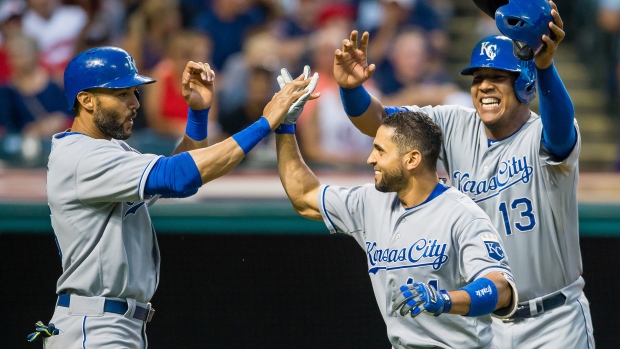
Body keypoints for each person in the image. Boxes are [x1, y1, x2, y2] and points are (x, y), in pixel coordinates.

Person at [333, 1, 595, 348]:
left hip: (554, 319)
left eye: (498, 77)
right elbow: (381, 123)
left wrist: (545, 66)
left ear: (525, 84)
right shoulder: (454, 123)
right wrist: (352, 90)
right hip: (488, 324)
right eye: (478, 77)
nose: (484, 86)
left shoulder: (542, 133)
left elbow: (560, 132)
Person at [26, 45, 318, 347]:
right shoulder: (81, 157)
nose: (135, 103)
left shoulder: (108, 150)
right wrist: (265, 123)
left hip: (106, 324)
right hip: (94, 326)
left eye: (134, 92)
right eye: (121, 93)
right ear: (86, 100)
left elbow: (184, 179)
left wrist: (198, 113)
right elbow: (180, 176)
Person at [273, 79, 518, 347]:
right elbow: (304, 196)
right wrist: (286, 127)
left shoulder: (462, 215)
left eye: (380, 151)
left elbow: (500, 288)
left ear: (412, 160)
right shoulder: (371, 202)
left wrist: (445, 299)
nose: (370, 159)